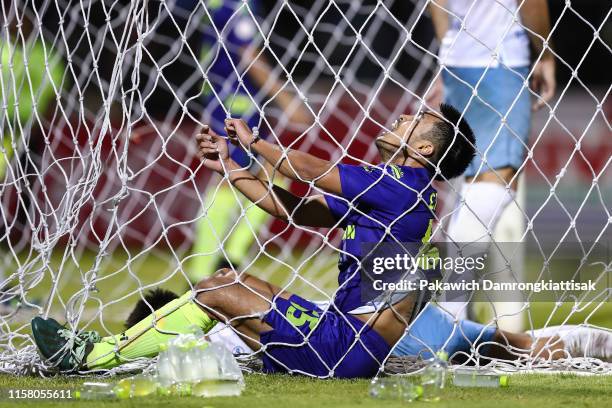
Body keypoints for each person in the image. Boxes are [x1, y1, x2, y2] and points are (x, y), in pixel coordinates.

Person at [31, 103, 475, 378]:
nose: (403, 116)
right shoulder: (401, 193)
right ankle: (142, 348)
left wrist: (256, 142)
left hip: (344, 350)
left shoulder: (403, 184)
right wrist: (229, 165)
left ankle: (91, 357)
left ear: (426, 149)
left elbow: (310, 171)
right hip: (346, 339)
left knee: (214, 291)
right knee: (232, 279)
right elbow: (292, 208)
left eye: (418, 118)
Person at [427, 0, 556, 327]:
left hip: (458, 63)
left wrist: (448, 49)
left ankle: (508, 319)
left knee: (486, 187)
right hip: (500, 60)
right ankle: (449, 315)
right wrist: (545, 53)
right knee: (495, 181)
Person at [176, 0, 309, 282]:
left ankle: (229, 256)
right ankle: (202, 268)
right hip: (235, 102)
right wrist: (287, 101)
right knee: (229, 177)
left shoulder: (217, 5)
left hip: (229, 98)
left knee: (270, 174)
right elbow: (248, 55)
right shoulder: (238, 5)